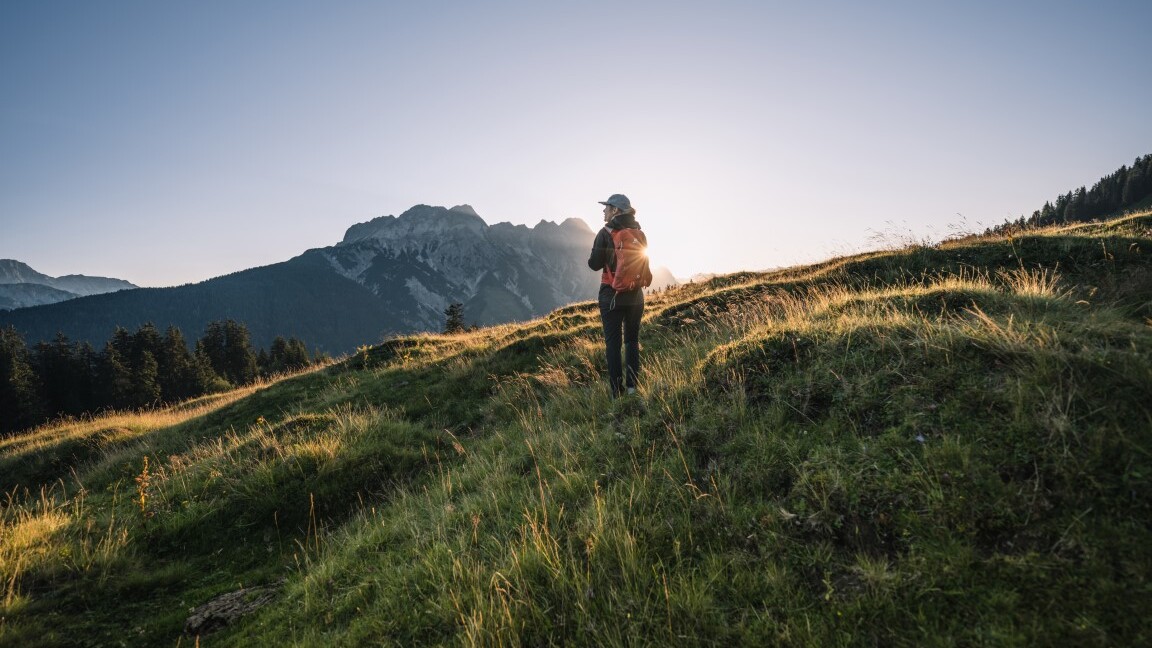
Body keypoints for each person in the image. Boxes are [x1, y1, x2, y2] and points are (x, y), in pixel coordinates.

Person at [587, 193, 646, 398]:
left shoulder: (605, 232)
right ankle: (632, 388)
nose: (604, 210)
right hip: (636, 296)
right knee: (631, 340)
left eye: (607, 207)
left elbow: (594, 264)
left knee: (613, 344)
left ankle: (616, 392)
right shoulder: (639, 232)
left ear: (616, 211)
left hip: (611, 295)